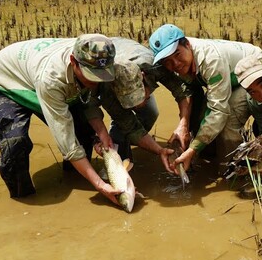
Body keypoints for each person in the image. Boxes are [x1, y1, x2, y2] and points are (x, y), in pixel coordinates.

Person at [0, 34, 122, 206]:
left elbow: (89, 101)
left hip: (33, 76)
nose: (96, 81)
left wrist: (102, 133)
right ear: (73, 61)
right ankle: (23, 198)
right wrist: (99, 185)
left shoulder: (96, 54)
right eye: (91, 76)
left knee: (83, 131)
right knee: (15, 144)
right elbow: (67, 141)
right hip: (4, 84)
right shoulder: (52, 79)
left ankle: (75, 176)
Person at [148, 24, 262, 172]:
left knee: (228, 120)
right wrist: (183, 125)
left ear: (188, 44)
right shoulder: (179, 63)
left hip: (253, 74)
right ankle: (205, 159)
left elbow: (218, 111)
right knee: (201, 121)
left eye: (177, 55)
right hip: (226, 79)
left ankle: (232, 170)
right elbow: (189, 94)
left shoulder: (211, 59)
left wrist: (193, 148)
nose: (175, 64)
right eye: (168, 62)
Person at [83, 37, 197, 173]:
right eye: (130, 102)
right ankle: (119, 153)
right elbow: (130, 126)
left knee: (150, 113)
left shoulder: (155, 65)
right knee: (122, 127)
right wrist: (159, 150)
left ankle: (132, 143)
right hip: (108, 70)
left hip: (127, 51)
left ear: (143, 77)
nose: (136, 107)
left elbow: (182, 91)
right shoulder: (107, 90)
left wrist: (183, 125)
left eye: (138, 98)